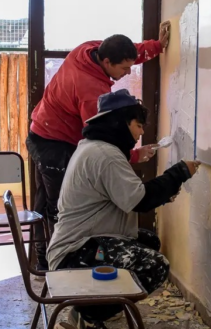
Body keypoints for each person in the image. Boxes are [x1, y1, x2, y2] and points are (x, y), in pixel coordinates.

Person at [47, 89, 200, 329]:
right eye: (138, 125)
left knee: (147, 242)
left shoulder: (94, 147)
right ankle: (88, 315)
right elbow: (140, 201)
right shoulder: (105, 155)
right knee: (155, 265)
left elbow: (129, 195)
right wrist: (178, 174)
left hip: (81, 243)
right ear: (121, 122)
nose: (140, 133)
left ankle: (85, 310)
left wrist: (163, 189)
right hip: (74, 255)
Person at [26, 23, 171, 271]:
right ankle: (53, 267)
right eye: (124, 68)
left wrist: (156, 46)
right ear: (106, 62)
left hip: (41, 130)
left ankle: (42, 262)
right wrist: (135, 155)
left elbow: (129, 51)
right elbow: (103, 142)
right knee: (57, 205)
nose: (128, 72)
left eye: (130, 66)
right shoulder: (91, 91)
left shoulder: (89, 49)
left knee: (46, 199)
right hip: (54, 142)